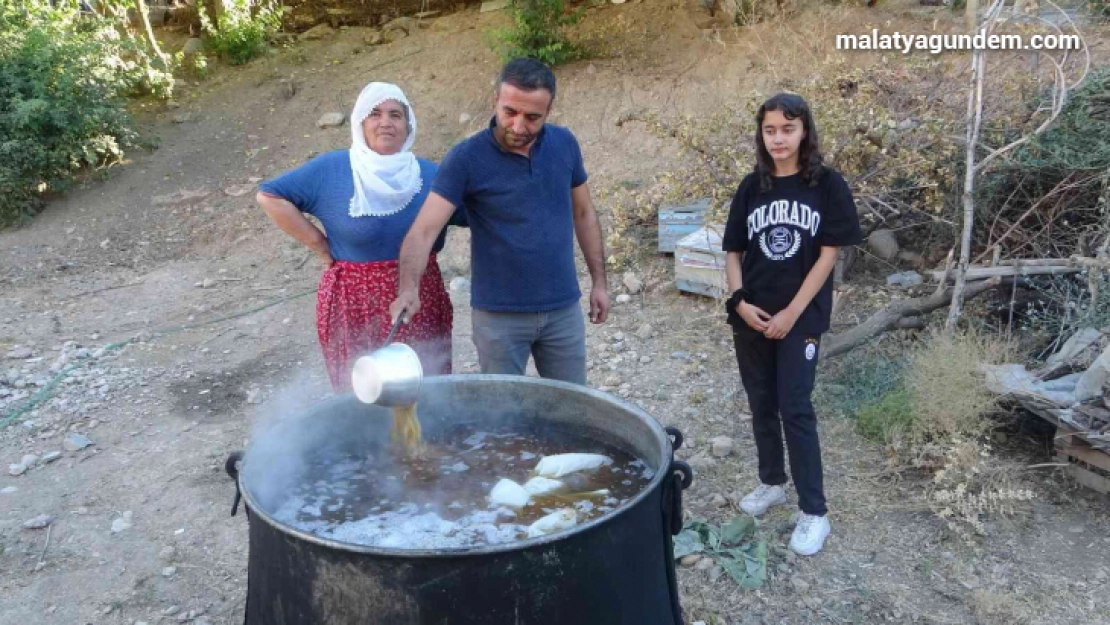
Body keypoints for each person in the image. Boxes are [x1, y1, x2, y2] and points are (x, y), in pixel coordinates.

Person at [389, 58, 609, 386]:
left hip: (563, 309)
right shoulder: (466, 158)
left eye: (533, 117)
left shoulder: (565, 144)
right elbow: (423, 230)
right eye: (510, 112)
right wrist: (408, 288)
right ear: (495, 100)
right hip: (499, 317)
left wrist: (599, 282)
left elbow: (584, 213)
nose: (519, 127)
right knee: (503, 414)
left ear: (549, 110)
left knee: (572, 405)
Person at [722, 93, 863, 557]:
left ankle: (814, 512)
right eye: (770, 130)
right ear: (761, 135)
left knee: (795, 407)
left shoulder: (826, 185)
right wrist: (739, 301)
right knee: (761, 402)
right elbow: (733, 251)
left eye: (788, 128)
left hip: (799, 318)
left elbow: (828, 256)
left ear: (804, 131)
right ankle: (771, 482)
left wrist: (791, 313)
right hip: (753, 316)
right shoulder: (751, 187)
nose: (778, 138)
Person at [256, 82, 467, 392]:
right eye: (374, 114)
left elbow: (477, 212)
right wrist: (319, 245)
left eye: (396, 115)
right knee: (363, 394)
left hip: (417, 298)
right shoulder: (332, 169)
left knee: (425, 389)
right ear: (360, 122)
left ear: (408, 125)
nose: (386, 122)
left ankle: (423, 441)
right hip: (351, 301)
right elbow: (270, 196)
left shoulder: (432, 175)